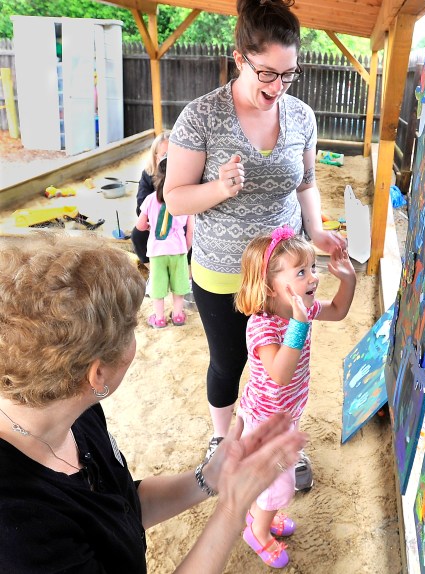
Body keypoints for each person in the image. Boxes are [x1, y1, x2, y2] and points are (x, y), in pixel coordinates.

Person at [0, 234, 307, 573]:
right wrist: (233, 509)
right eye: (132, 328)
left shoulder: (71, 409)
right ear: (97, 374)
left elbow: (121, 508)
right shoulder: (21, 533)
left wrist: (209, 477)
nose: (137, 335)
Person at [163, 0, 346, 484]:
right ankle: (224, 441)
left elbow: (306, 181)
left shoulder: (302, 116)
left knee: (285, 359)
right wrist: (219, 188)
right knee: (231, 360)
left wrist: (320, 230)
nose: (277, 87)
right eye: (267, 73)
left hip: (285, 271)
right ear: (240, 56)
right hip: (223, 269)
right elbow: (175, 198)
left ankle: (278, 441)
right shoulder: (201, 116)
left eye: (288, 75)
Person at [234, 227, 355, 567]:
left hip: (286, 414)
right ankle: (257, 531)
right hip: (264, 422)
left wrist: (348, 280)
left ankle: (263, 515)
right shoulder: (263, 326)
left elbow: (340, 310)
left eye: (312, 268)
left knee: (273, 478)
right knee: (279, 484)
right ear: (270, 285)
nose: (313, 277)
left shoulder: (301, 309)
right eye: (301, 271)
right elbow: (280, 373)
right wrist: (299, 324)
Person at [136, 155, 194, 328]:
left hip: (157, 251)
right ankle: (178, 316)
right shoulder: (186, 200)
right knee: (179, 286)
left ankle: (159, 319)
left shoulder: (150, 199)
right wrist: (186, 246)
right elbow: (191, 231)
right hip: (178, 250)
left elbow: (139, 226)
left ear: (157, 177)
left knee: (158, 287)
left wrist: (149, 227)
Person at [131, 130, 170, 267]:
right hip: (154, 222)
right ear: (156, 156)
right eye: (164, 155)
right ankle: (152, 269)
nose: (168, 159)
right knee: (137, 234)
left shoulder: (185, 173)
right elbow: (140, 205)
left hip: (179, 221)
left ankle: (186, 272)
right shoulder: (148, 174)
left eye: (173, 154)